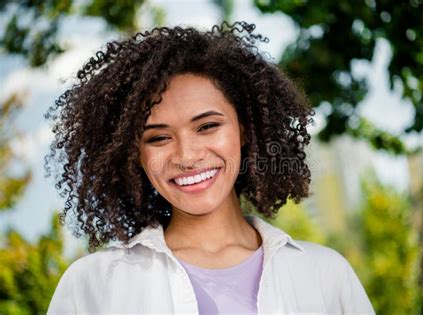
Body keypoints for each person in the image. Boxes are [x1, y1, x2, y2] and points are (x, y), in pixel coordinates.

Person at [45, 21, 375, 314]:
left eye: (207, 127)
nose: (186, 155)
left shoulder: (326, 276)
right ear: (134, 155)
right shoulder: (92, 287)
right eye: (159, 138)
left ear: (245, 128)